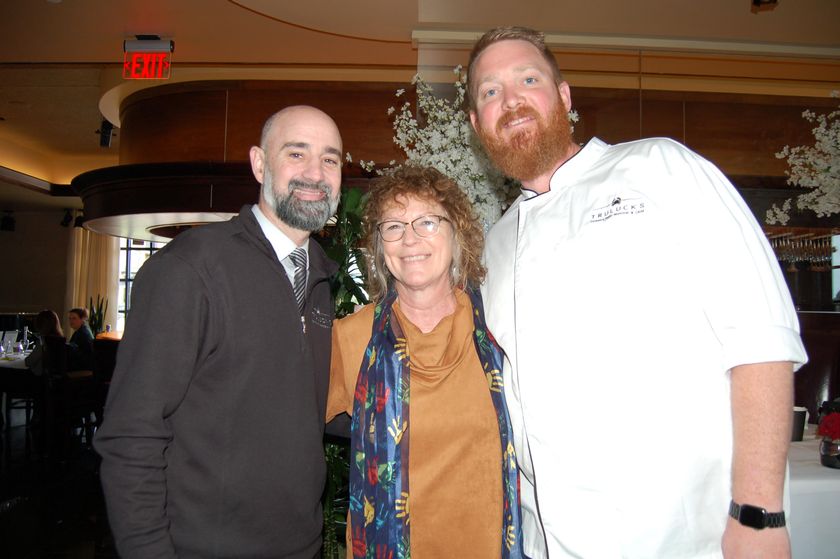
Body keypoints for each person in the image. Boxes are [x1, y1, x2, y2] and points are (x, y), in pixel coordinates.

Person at [467, 27, 808, 559]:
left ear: (563, 96)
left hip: (682, 540)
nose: (509, 101)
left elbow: (761, 339)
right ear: (476, 125)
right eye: (489, 92)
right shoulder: (493, 245)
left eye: (527, 80)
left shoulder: (660, 167)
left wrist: (759, 516)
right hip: (545, 542)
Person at [94, 105, 343, 559]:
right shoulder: (191, 268)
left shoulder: (320, 279)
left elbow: (301, 406)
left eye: (330, 159)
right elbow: (132, 433)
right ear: (259, 163)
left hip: (300, 545)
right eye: (296, 153)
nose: (315, 173)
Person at [326, 166, 523, 558]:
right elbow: (280, 422)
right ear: (381, 247)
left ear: (457, 234)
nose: (410, 239)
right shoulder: (351, 338)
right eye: (394, 227)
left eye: (427, 222)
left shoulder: (500, 327)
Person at [24, 309, 65, 376]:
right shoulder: (60, 339)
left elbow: (29, 362)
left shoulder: (43, 341)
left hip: (41, 380)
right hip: (56, 379)